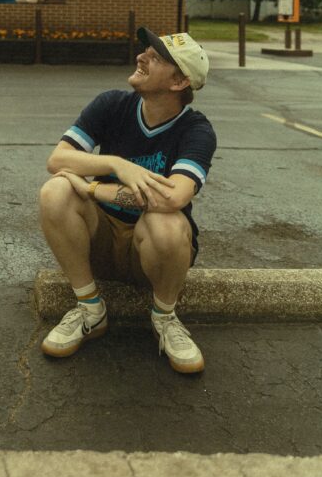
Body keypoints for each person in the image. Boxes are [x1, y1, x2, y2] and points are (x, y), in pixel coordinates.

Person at [39, 27, 215, 373]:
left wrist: (92, 188)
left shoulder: (196, 130)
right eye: (145, 51)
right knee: (55, 192)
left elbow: (173, 196)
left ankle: (165, 318)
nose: (141, 57)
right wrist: (114, 164)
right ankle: (90, 310)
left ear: (179, 81)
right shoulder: (112, 105)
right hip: (101, 240)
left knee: (166, 222)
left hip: (151, 253)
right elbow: (57, 161)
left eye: (155, 57)